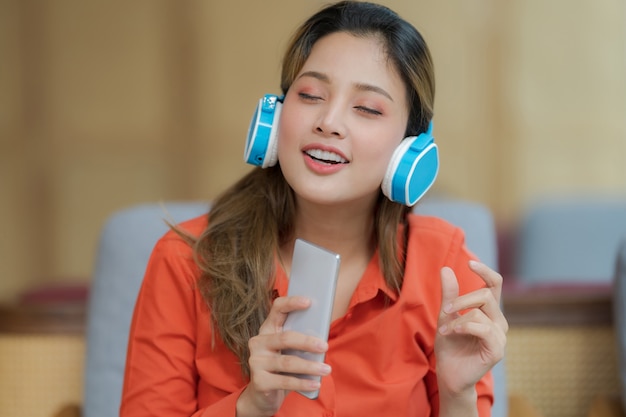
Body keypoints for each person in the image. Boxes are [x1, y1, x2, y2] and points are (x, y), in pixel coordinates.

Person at [120, 1, 508, 416]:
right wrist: (250, 406)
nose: (329, 121)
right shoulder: (186, 261)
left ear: (410, 149)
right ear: (277, 115)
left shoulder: (445, 269)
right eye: (310, 95)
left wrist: (457, 395)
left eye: (367, 108)